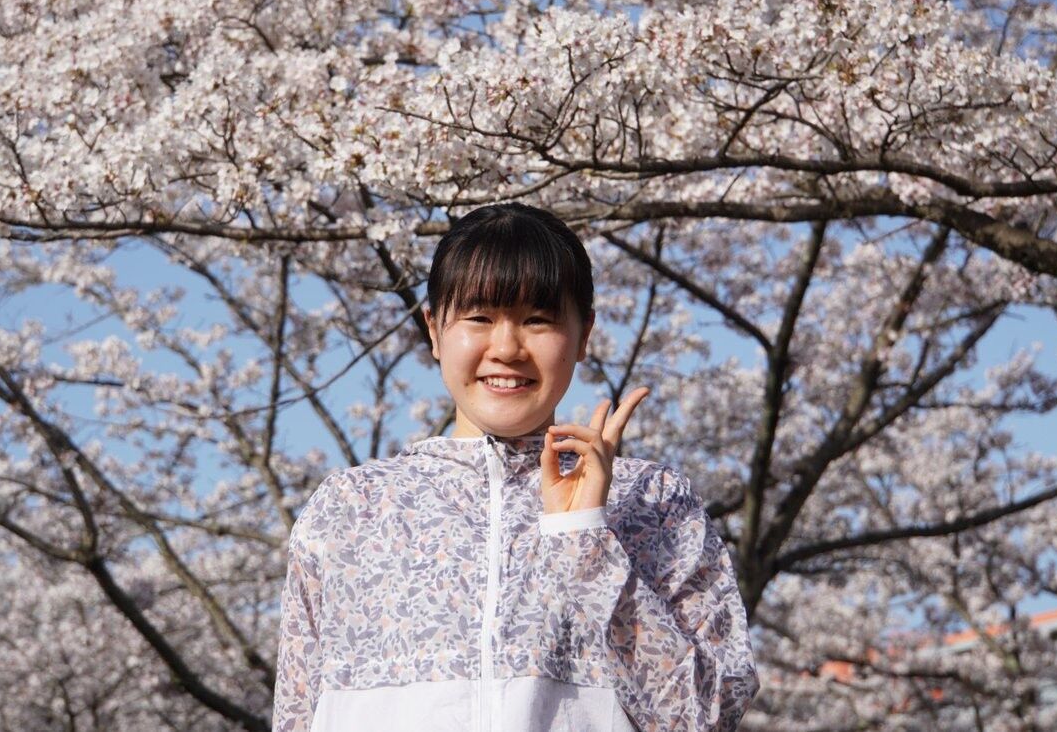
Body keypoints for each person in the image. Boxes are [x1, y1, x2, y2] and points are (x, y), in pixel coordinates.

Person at [272, 203, 759, 732]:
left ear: (584, 334)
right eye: (479, 318)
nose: (506, 348)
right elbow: (296, 715)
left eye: (537, 320)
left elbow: (708, 716)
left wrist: (584, 539)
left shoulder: (653, 501)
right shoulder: (349, 507)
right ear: (434, 330)